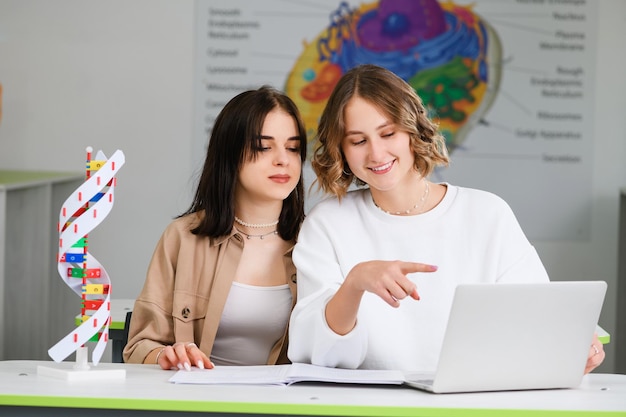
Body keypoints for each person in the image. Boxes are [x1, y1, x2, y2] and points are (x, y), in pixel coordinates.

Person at [287, 64, 604, 374]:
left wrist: (574, 352)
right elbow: (317, 355)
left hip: (474, 404)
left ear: (412, 130)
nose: (376, 153)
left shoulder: (486, 214)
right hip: (369, 406)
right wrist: (355, 283)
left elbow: (541, 321)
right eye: (358, 141)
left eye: (388, 133)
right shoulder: (327, 224)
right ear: (340, 149)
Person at [123, 86, 307, 370]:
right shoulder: (183, 237)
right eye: (263, 146)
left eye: (293, 148)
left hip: (286, 407)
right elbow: (138, 346)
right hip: (200, 403)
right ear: (230, 154)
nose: (283, 159)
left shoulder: (314, 241)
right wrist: (165, 356)